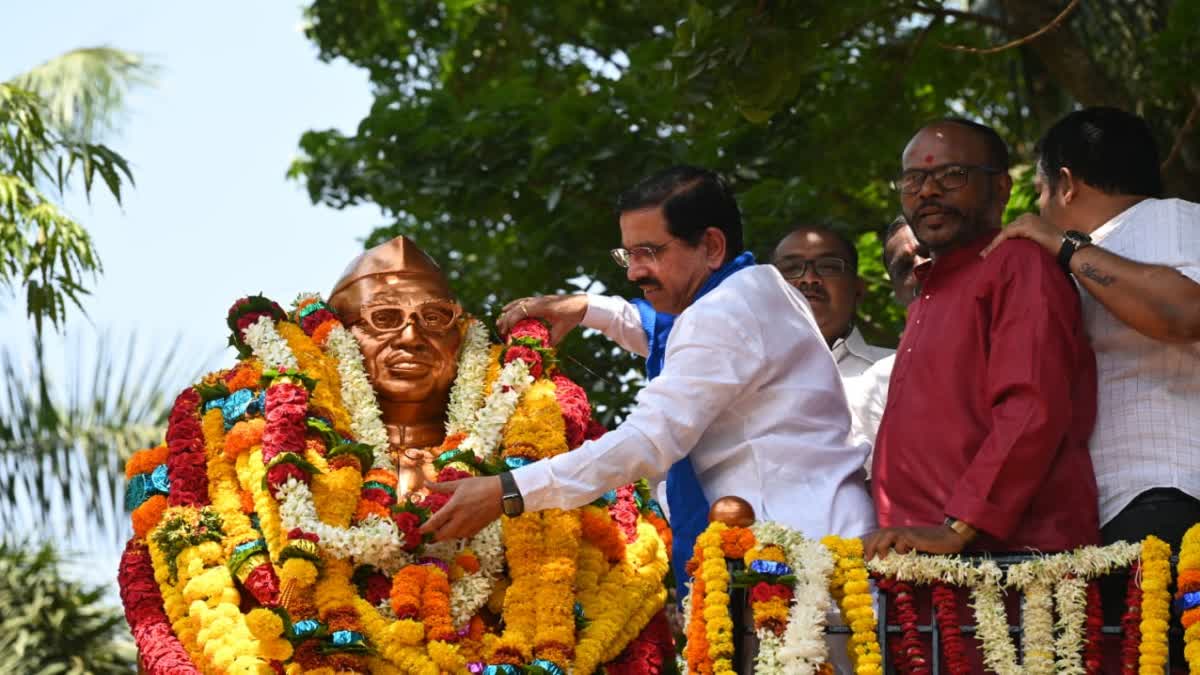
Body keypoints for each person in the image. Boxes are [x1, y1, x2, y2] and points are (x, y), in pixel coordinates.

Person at [420, 165, 876, 592]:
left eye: (650, 253)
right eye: (628, 254)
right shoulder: (759, 289)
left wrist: (508, 490)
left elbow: (648, 441)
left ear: (712, 246)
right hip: (812, 546)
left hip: (797, 565)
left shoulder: (724, 313)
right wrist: (587, 308)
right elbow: (671, 337)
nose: (635, 272)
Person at [863, 118, 1100, 560]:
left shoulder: (1018, 264)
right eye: (913, 179)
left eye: (951, 175)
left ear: (1002, 189)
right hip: (925, 565)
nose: (927, 191)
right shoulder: (930, 290)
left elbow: (1031, 409)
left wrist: (961, 525)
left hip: (1008, 566)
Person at [982, 107, 1200, 552]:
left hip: (1170, 494)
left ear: (1066, 184)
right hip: (1106, 513)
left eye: (1040, 192)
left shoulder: (1170, 217)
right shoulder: (1077, 256)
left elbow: (1185, 312)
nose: (1038, 210)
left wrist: (1064, 247)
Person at [327, 235, 465, 498]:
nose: (411, 338)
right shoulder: (282, 447)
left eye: (434, 318)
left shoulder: (520, 456)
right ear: (336, 336)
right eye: (384, 318)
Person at [843, 216, 929, 455]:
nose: (921, 265)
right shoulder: (882, 381)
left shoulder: (1012, 329)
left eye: (929, 251)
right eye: (904, 267)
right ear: (897, 291)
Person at [772, 224, 893, 377]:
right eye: (791, 268)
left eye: (828, 267)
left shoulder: (901, 370)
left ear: (858, 289)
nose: (809, 279)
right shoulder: (743, 376)